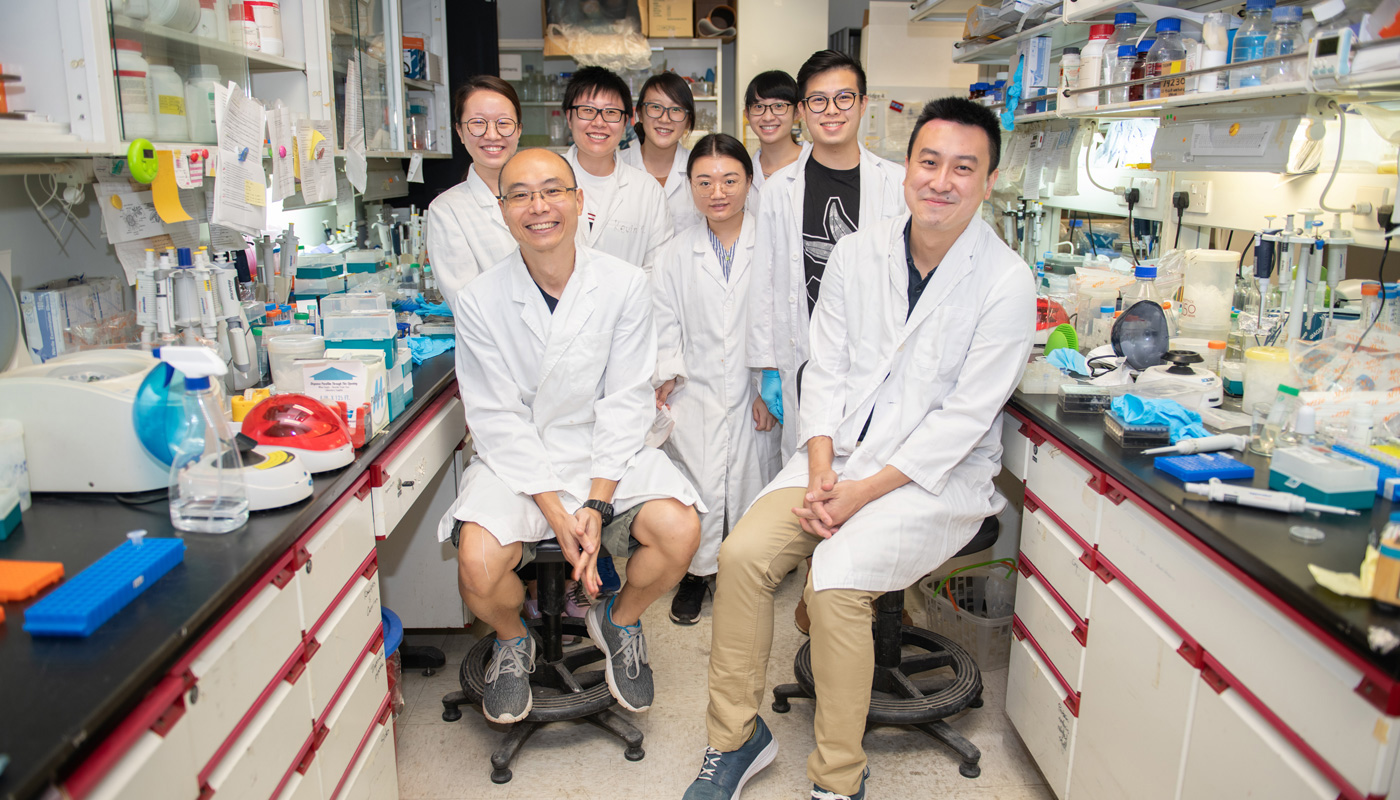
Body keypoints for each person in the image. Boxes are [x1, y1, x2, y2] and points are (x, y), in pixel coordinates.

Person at [682, 97, 1036, 800]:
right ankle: (735, 738)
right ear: (906, 166)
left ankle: (838, 778)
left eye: (963, 168)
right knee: (742, 555)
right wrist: (820, 472)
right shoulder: (857, 253)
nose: (941, 180)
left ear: (989, 180)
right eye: (929, 161)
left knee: (837, 579)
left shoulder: (1006, 282)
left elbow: (964, 419)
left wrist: (857, 495)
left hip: (932, 480)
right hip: (836, 458)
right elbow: (827, 370)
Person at [438, 148, 703, 724]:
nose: (539, 207)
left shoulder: (625, 285)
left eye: (553, 190)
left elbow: (626, 399)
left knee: (680, 529)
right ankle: (513, 639)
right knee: (478, 568)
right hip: (521, 456)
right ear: (502, 209)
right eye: (521, 195)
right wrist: (559, 514)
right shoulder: (481, 301)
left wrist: (598, 502)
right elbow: (495, 416)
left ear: (579, 201)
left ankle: (620, 619)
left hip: (604, 451)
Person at [747, 50, 907, 462]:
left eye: (844, 98)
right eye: (818, 100)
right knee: (808, 482)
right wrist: (767, 368)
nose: (831, 110)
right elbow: (764, 281)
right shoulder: (779, 189)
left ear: (863, 103)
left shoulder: (897, 184)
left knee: (870, 479)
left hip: (878, 356)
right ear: (802, 110)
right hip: (803, 356)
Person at [652, 134, 781, 626]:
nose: (717, 191)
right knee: (698, 483)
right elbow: (664, 323)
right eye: (704, 181)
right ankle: (696, 574)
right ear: (689, 187)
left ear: (749, 182)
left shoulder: (772, 245)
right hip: (696, 389)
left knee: (754, 482)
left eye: (730, 179)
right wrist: (666, 374)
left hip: (755, 390)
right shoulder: (674, 253)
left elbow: (782, 322)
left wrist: (770, 387)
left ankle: (748, 575)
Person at [424, 76, 522, 312]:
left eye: (504, 123)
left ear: (519, 129)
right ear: (459, 131)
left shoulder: (550, 196)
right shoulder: (447, 210)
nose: (492, 134)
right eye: (478, 123)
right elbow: (466, 304)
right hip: (492, 345)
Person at [562, 66, 673, 273]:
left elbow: (657, 271)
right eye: (587, 110)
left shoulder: (647, 191)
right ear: (569, 117)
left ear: (626, 122)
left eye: (611, 112)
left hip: (628, 306)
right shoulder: (544, 180)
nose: (598, 122)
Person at [620, 72, 701, 235]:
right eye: (656, 107)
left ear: (688, 121)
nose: (665, 119)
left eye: (676, 109)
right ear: (640, 114)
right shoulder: (616, 166)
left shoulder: (701, 168)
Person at [743, 70, 806, 194]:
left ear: (797, 112)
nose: (768, 117)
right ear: (747, 114)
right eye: (759, 107)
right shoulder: (744, 174)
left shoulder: (813, 165)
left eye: (779, 106)